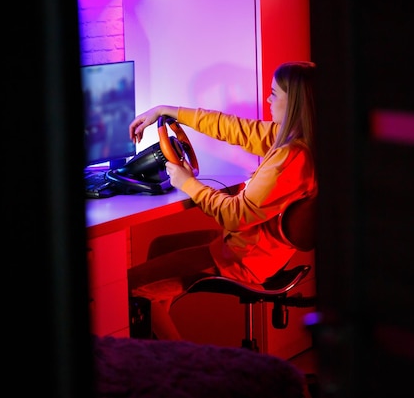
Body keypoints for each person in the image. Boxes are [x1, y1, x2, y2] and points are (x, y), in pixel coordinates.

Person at [127, 61, 318, 340]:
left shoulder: (291, 158)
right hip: (251, 248)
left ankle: (180, 366)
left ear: (295, 103)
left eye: (275, 94)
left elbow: (235, 216)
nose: (268, 99)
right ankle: (160, 338)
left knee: (131, 288)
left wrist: (187, 183)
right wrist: (167, 111)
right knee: (160, 247)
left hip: (243, 259)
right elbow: (233, 128)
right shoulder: (297, 140)